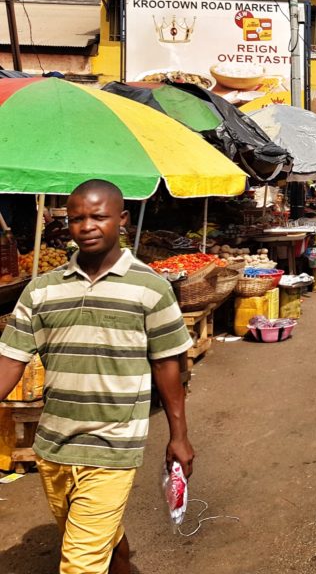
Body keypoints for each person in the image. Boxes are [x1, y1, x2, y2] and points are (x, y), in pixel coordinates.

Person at [0, 179, 193, 574]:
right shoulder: (41, 291)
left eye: (98, 216)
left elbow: (167, 366)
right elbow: (11, 359)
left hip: (113, 445)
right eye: (76, 219)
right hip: (53, 443)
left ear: (121, 220)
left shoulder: (150, 289)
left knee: (80, 563)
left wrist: (179, 435)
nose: (86, 226)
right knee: (90, 533)